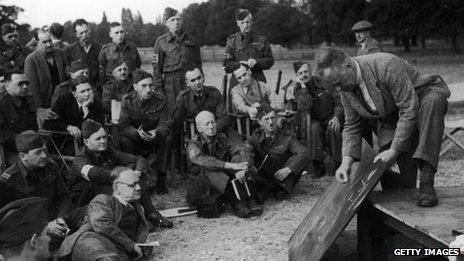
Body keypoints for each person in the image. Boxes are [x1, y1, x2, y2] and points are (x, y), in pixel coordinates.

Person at [315, 47, 450, 207]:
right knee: (396, 188)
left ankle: (427, 178)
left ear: (347, 64)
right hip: (391, 117)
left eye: (338, 82)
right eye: (333, 85)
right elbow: (352, 124)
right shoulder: (345, 87)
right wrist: (346, 162)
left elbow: (408, 109)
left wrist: (394, 151)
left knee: (432, 102)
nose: (338, 89)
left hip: (420, 101)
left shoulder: (386, 65)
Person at [68, 119, 172, 229]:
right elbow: (94, 174)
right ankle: (135, 220)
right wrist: (121, 175)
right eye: (98, 138)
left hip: (104, 196)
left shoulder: (107, 151)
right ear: (86, 142)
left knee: (135, 176)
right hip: (85, 204)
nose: (103, 141)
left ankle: (150, 213)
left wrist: (138, 172)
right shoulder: (80, 158)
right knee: (118, 182)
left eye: (104, 137)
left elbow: (138, 159)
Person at [59, 167, 150, 261]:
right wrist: (131, 245)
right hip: (91, 240)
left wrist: (139, 248)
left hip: (117, 250)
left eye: (137, 183)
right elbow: (101, 223)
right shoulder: (103, 200)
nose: (139, 187)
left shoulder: (137, 209)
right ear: (116, 188)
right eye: (132, 185)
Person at [0, 131, 72, 247]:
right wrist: (44, 227)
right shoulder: (8, 180)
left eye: (44, 150)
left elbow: (63, 196)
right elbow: (8, 219)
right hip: (29, 234)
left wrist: (61, 218)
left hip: (56, 222)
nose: (44, 155)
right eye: (38, 152)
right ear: (23, 156)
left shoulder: (51, 168)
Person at [186, 111, 262, 218]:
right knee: (211, 170)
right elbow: (203, 160)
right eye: (207, 124)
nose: (211, 126)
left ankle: (249, 198)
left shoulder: (221, 138)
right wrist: (229, 165)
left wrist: (242, 168)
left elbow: (241, 148)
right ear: (199, 128)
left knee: (238, 159)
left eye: (213, 122)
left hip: (223, 185)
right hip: (202, 188)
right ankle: (237, 203)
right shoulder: (193, 144)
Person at [283, 61, 343, 177]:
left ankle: (338, 163)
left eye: (306, 71)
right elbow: (307, 105)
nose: (304, 75)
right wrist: (304, 86)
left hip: (331, 116)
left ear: (311, 71)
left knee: (333, 128)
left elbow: (338, 101)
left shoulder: (325, 82)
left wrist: (336, 117)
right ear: (297, 76)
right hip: (314, 120)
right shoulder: (297, 89)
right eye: (300, 73)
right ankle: (318, 165)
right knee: (314, 128)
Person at [119, 69, 171, 194]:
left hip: (154, 138)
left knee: (167, 139)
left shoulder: (161, 100)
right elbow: (124, 125)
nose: (148, 89)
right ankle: (133, 175)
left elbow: (165, 123)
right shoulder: (127, 101)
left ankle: (161, 178)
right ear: (135, 86)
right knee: (124, 140)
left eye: (151, 85)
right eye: (144, 86)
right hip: (136, 139)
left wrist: (156, 132)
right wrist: (137, 133)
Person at [247, 104, 310, 201]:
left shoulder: (286, 136)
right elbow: (247, 150)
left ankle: (276, 188)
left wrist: (289, 169)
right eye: (266, 119)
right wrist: (249, 163)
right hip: (265, 175)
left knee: (299, 157)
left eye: (273, 118)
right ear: (260, 122)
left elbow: (304, 153)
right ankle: (274, 188)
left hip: (282, 174)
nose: (271, 122)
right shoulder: (256, 136)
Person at [152, 7, 202, 114]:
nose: (176, 22)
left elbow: (198, 63)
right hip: (171, 85)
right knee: (174, 115)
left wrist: (200, 80)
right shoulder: (161, 42)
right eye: (172, 20)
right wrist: (159, 90)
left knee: (193, 111)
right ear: (166, 23)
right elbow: (156, 70)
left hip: (190, 81)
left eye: (178, 19)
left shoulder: (191, 39)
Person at [44, 76, 104, 145]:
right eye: (82, 91)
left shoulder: (96, 104)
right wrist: (68, 127)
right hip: (63, 144)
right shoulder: (64, 100)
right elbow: (48, 124)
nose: (87, 94)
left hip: (89, 144)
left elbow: (96, 130)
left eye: (89, 90)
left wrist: (86, 111)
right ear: (74, 94)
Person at [223, 9, 274, 87]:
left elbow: (270, 61)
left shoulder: (262, 39)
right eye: (242, 23)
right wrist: (239, 64)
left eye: (247, 22)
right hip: (237, 84)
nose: (245, 25)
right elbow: (226, 65)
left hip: (258, 83)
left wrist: (256, 62)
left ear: (252, 22)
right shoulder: (231, 41)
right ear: (238, 23)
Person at [25, 28, 66, 123]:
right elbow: (32, 87)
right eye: (44, 42)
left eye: (50, 41)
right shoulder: (31, 60)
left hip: (61, 102)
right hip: (44, 105)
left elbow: (66, 73)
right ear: (37, 42)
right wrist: (39, 109)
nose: (49, 44)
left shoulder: (60, 53)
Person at [173, 65, 229, 132]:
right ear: (187, 83)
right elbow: (176, 121)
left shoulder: (214, 93)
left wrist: (212, 128)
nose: (197, 82)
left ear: (203, 78)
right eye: (193, 80)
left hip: (215, 130)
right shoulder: (183, 98)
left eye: (199, 78)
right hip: (195, 134)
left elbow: (223, 117)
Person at [0, 69, 37, 165]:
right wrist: (20, 138)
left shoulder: (29, 100)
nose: (25, 86)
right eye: (20, 84)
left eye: (26, 83)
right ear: (7, 85)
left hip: (32, 146)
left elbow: (34, 126)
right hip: (10, 150)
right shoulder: (2, 105)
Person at [64, 19, 102, 88]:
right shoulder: (69, 50)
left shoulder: (100, 48)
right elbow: (66, 71)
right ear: (76, 34)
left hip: (97, 87)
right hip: (79, 87)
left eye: (86, 31)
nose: (85, 35)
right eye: (81, 33)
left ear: (89, 30)